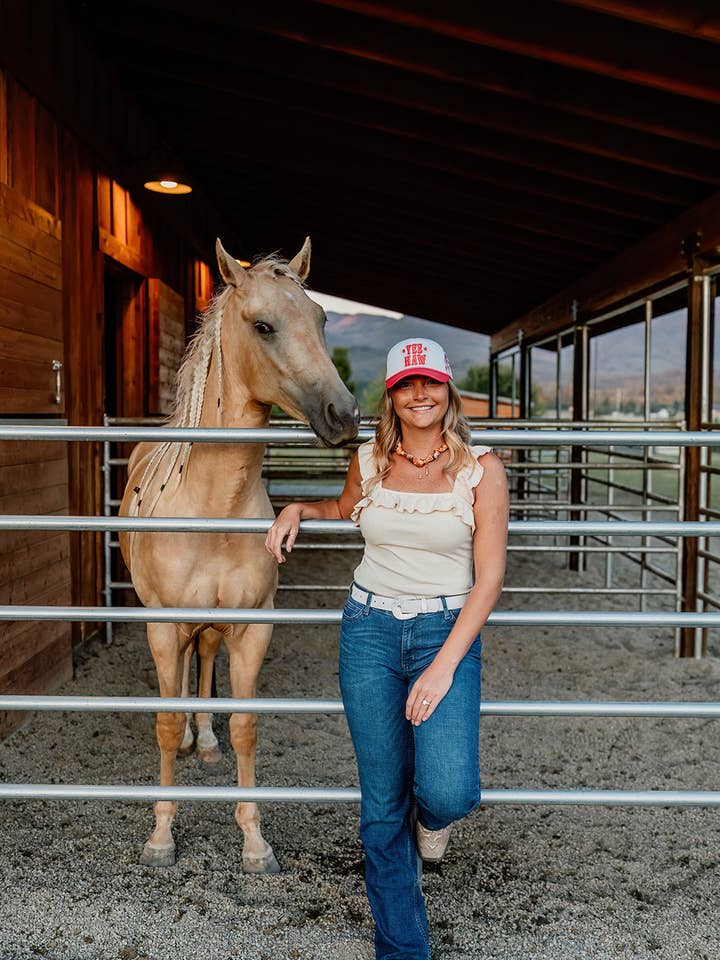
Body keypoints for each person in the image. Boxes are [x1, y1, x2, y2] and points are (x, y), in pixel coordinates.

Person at [265, 337, 509, 960]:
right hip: (368, 630)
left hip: (444, 632)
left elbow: (489, 580)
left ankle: (432, 825)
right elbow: (348, 508)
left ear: (448, 390)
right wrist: (299, 507)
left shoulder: (482, 469)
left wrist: (444, 664)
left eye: (430, 383)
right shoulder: (371, 459)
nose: (419, 394)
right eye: (407, 384)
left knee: (449, 791)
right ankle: (403, 947)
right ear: (392, 395)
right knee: (380, 804)